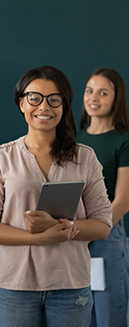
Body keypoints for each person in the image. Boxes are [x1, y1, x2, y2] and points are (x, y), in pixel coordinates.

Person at [0, 66, 112, 327]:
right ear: (22, 103)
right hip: (13, 288)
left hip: (71, 286)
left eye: (54, 99)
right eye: (35, 98)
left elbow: (103, 225)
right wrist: (39, 237)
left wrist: (63, 227)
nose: (44, 107)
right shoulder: (1, 158)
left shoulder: (84, 157)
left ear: (64, 106)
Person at [77, 67, 129, 327]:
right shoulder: (73, 140)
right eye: (89, 91)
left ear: (116, 99)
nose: (93, 98)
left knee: (109, 317)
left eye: (103, 93)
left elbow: (122, 202)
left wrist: (90, 232)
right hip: (72, 238)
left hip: (105, 237)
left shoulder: (124, 140)